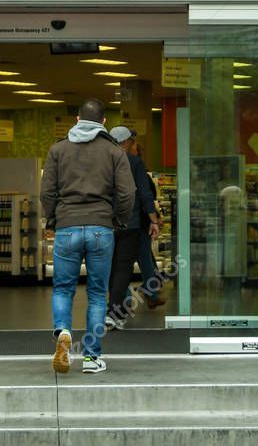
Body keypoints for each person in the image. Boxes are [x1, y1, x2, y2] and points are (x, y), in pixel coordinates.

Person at [41, 98, 135, 374]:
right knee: (96, 294)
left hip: (67, 227)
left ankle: (62, 331)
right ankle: (92, 358)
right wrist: (117, 220)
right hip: (100, 228)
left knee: (62, 288)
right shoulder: (113, 151)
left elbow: (47, 191)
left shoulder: (58, 150)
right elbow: (127, 194)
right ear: (104, 122)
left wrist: (55, 218)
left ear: (77, 120)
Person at [105, 127, 160, 330]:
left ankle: (110, 308)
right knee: (123, 268)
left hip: (105, 223)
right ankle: (115, 311)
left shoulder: (102, 159)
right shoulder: (134, 162)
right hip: (130, 222)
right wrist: (153, 219)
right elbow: (144, 192)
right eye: (131, 140)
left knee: (109, 267)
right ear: (126, 142)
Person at [128, 133, 166, 309]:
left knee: (124, 262)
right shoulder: (138, 168)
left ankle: (126, 296)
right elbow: (147, 195)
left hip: (128, 222)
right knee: (146, 260)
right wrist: (154, 218)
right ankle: (151, 293)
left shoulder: (116, 165)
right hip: (140, 222)